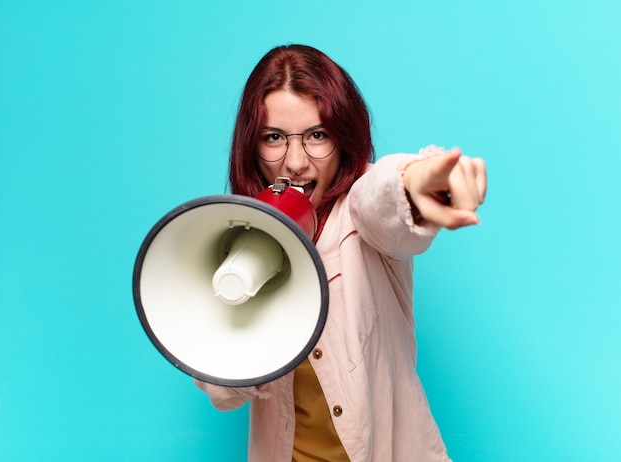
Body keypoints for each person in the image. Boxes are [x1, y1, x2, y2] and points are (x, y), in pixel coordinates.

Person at [195, 44, 487, 461]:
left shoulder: (358, 213)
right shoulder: (233, 242)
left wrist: (420, 184)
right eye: (274, 137)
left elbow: (385, 195)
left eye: (317, 135)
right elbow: (223, 394)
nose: (295, 162)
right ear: (252, 147)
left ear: (343, 137)